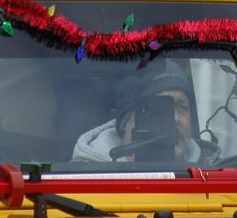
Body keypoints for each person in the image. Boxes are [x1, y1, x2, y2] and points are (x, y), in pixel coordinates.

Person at [71, 60, 219, 164]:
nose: (174, 118)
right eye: (159, 107)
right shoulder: (77, 181)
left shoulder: (214, 174)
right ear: (125, 123)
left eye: (182, 107)